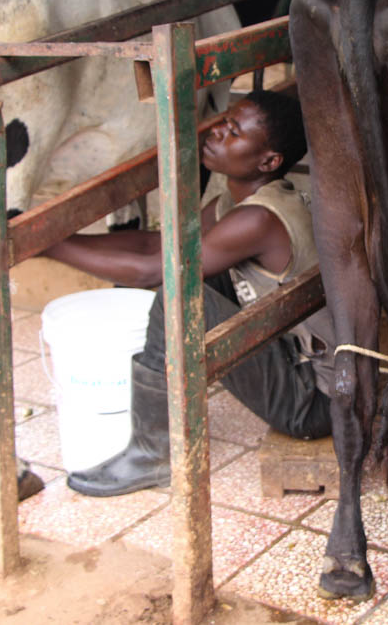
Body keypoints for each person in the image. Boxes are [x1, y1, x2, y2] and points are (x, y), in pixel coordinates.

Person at [42, 89, 334, 497]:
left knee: (177, 295)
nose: (215, 133)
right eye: (223, 120)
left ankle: (154, 451)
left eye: (233, 131)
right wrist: (54, 236)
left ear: (268, 161)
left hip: (315, 402)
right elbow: (157, 247)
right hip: (293, 364)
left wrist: (46, 246)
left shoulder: (258, 219)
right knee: (190, 272)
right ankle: (156, 438)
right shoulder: (233, 206)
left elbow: (151, 271)